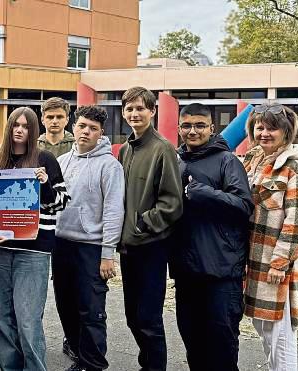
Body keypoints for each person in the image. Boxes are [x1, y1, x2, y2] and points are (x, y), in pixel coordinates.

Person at [0, 107, 68, 371]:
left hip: (34, 251)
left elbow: (62, 203)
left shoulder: (45, 160)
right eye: (15, 125)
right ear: (8, 128)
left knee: (28, 321)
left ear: (33, 129)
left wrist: (43, 184)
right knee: (4, 321)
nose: (20, 130)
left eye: (26, 126)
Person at [170, 103, 253, 371]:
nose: (192, 131)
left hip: (221, 271)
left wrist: (205, 193)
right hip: (186, 271)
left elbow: (244, 206)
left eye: (199, 125)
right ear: (179, 128)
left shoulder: (227, 160)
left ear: (211, 128)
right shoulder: (176, 160)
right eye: (186, 125)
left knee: (222, 346)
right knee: (193, 343)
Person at [117, 86, 183, 371]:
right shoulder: (125, 149)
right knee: (132, 315)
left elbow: (173, 202)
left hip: (151, 245)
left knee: (149, 318)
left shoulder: (163, 148)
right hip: (128, 246)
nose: (135, 113)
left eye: (141, 108)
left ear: (153, 111)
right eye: (130, 108)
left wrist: (143, 223)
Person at [242, 103, 298, 371]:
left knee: (279, 333)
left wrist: (280, 262)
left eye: (272, 128)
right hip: (253, 257)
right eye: (260, 127)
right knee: (262, 325)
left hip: (276, 261)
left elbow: (297, 221)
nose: (265, 133)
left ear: (286, 131)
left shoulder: (296, 167)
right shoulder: (252, 158)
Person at [53, 105, 123, 371]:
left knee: (90, 310)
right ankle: (79, 358)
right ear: (74, 128)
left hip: (91, 247)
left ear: (101, 133)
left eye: (92, 128)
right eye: (82, 126)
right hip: (62, 244)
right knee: (65, 305)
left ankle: (93, 364)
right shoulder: (62, 162)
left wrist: (108, 254)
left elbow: (114, 211)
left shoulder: (109, 166)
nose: (86, 132)